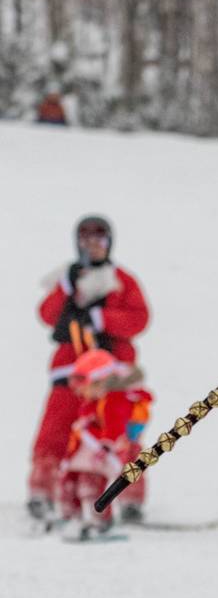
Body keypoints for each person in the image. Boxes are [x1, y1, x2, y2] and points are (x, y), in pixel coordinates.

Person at [29, 215, 150, 524]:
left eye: (100, 240)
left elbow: (139, 318)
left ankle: (130, 494)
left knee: (118, 432)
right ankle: (43, 490)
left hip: (113, 376)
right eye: (86, 241)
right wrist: (67, 287)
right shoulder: (68, 279)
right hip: (71, 372)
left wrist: (100, 319)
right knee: (57, 430)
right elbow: (46, 314)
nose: (93, 247)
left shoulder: (121, 279)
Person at [57, 350, 152, 541]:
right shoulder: (94, 400)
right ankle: (72, 517)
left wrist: (106, 445)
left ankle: (102, 520)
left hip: (106, 451)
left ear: (99, 380)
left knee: (93, 485)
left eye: (82, 383)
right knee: (73, 482)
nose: (78, 390)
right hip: (91, 451)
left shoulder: (115, 400)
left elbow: (115, 425)